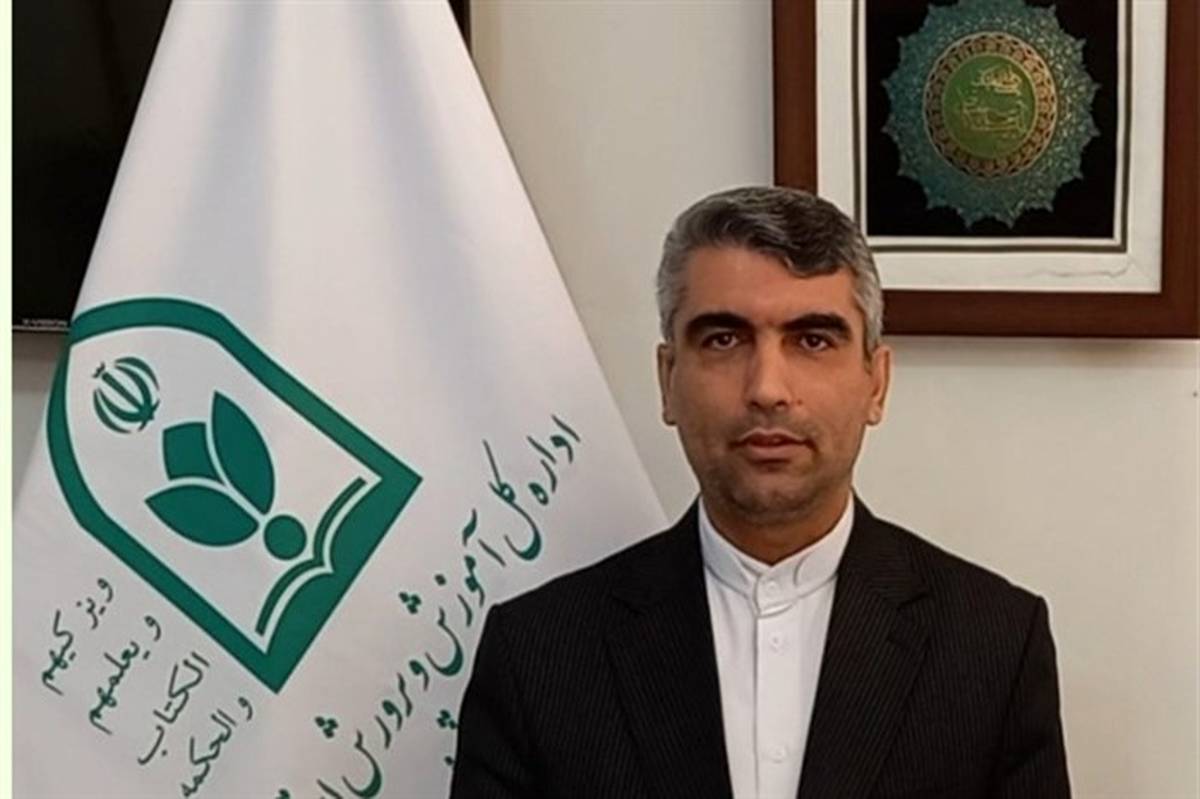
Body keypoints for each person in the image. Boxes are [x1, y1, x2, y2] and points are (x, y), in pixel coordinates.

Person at [450, 186, 1070, 799]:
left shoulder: (992, 644)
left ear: (876, 384)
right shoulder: (538, 653)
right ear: (668, 381)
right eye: (724, 339)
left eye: (812, 340)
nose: (768, 388)